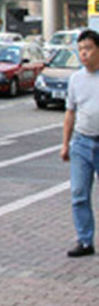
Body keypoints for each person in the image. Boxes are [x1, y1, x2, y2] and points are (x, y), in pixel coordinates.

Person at [61, 29, 99, 257]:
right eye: (81, 49)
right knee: (78, 193)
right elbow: (70, 113)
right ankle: (85, 241)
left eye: (89, 49)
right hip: (82, 143)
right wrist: (65, 144)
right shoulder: (76, 79)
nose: (84, 54)